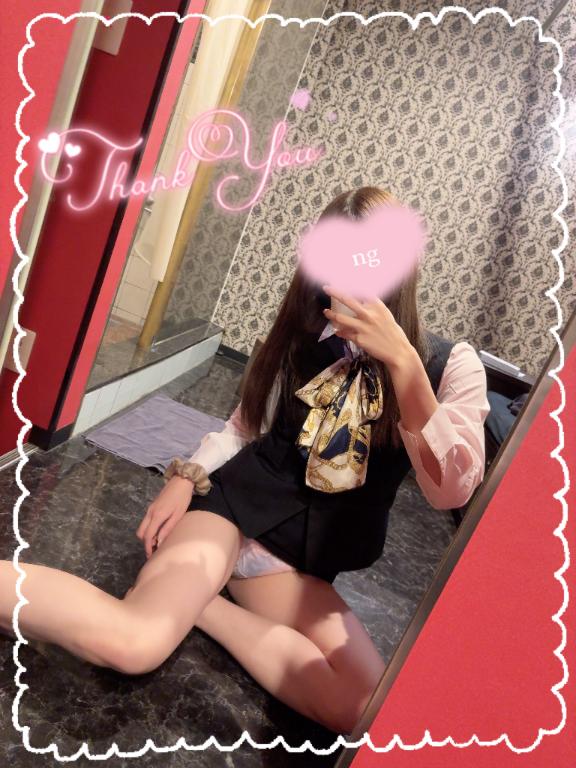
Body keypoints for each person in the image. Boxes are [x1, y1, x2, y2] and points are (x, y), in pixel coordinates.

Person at [0, 186, 489, 736]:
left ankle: (203, 605)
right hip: (233, 510)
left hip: (300, 560)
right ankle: (178, 596)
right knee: (136, 643)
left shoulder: (451, 366)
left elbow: (450, 491)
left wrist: (402, 361)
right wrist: (185, 479)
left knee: (362, 707)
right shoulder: (305, 331)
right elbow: (245, 425)